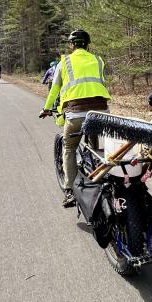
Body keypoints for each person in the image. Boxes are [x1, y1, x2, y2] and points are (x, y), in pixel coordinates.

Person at [39, 29, 111, 207]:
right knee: (94, 136)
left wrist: (47, 108)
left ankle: (69, 190)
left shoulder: (65, 62)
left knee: (69, 148)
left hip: (76, 113)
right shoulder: (98, 60)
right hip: (101, 112)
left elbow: (54, 88)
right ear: (88, 45)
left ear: (71, 45)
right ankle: (96, 166)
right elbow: (100, 83)